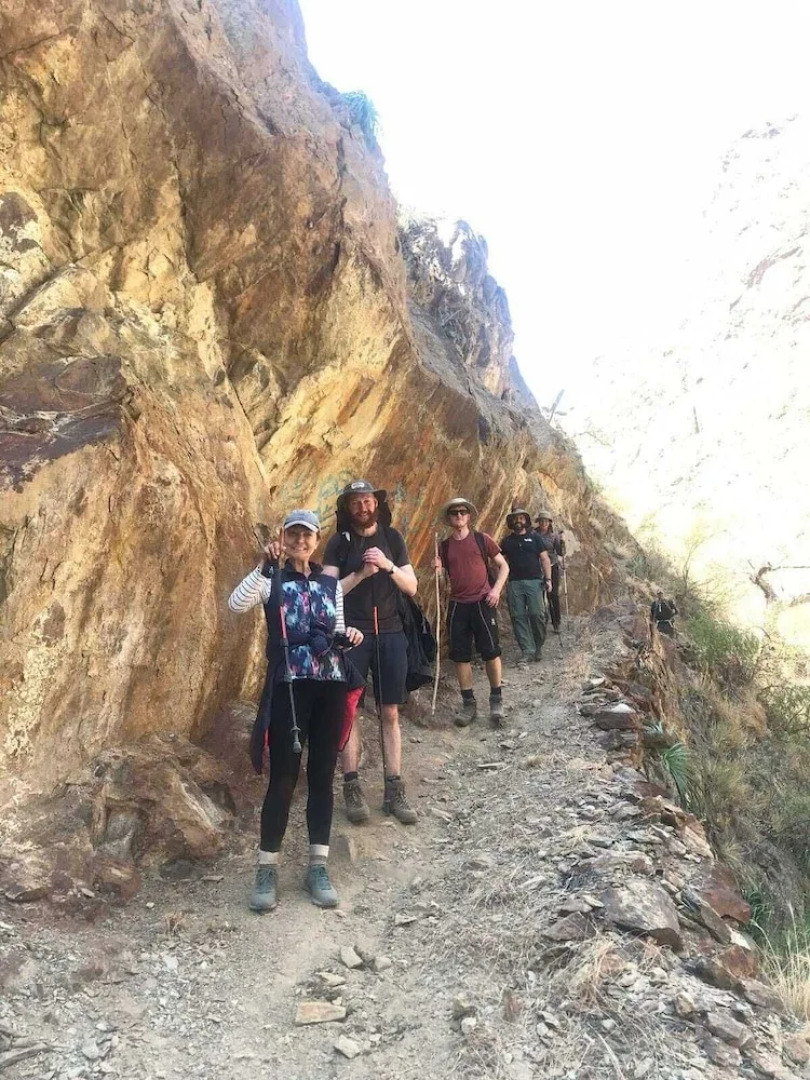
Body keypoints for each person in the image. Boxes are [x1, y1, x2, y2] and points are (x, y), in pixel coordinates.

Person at [228, 510, 364, 913]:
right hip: (290, 685)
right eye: (294, 534)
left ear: (317, 539)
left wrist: (349, 637)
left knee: (322, 775)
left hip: (330, 684)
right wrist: (264, 567)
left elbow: (336, 629)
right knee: (284, 777)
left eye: (307, 535)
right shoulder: (271, 578)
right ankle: (266, 868)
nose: (301, 541)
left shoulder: (329, 583)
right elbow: (236, 604)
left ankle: (317, 867)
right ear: (283, 538)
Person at [322, 480, 419, 827]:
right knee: (350, 711)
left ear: (376, 504)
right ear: (347, 509)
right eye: (356, 503)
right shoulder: (339, 543)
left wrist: (389, 566)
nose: (363, 508)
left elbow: (412, 586)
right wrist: (361, 573)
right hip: (351, 635)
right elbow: (328, 591)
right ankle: (352, 785)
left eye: (367, 501)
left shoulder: (392, 539)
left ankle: (394, 787)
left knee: (390, 712)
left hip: (391, 632)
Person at [433, 497, 509, 727]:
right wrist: (436, 568)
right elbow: (440, 578)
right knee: (461, 656)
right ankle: (469, 703)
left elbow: (503, 565)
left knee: (491, 652)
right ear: (449, 518)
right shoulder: (443, 547)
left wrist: (496, 590)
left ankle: (496, 699)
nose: (458, 516)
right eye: (454, 512)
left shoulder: (481, 539)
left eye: (463, 512)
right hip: (458, 604)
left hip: (482, 601)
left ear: (469, 516)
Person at [500, 508, 552, 665]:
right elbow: (499, 562)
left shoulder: (535, 538)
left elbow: (544, 559)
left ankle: (538, 646)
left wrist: (548, 579)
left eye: (521, 518)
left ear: (526, 521)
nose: (518, 521)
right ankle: (527, 651)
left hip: (535, 582)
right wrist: (500, 581)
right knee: (518, 617)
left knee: (537, 615)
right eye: (516, 518)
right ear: (511, 521)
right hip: (514, 583)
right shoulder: (507, 542)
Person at [535, 510, 566, 631]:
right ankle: (542, 619)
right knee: (538, 595)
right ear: (539, 522)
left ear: (549, 523)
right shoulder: (533, 533)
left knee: (553, 595)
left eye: (546, 521)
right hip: (536, 567)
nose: (543, 523)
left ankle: (556, 622)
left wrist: (562, 541)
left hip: (552, 567)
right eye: (541, 521)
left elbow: (561, 552)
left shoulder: (554, 536)